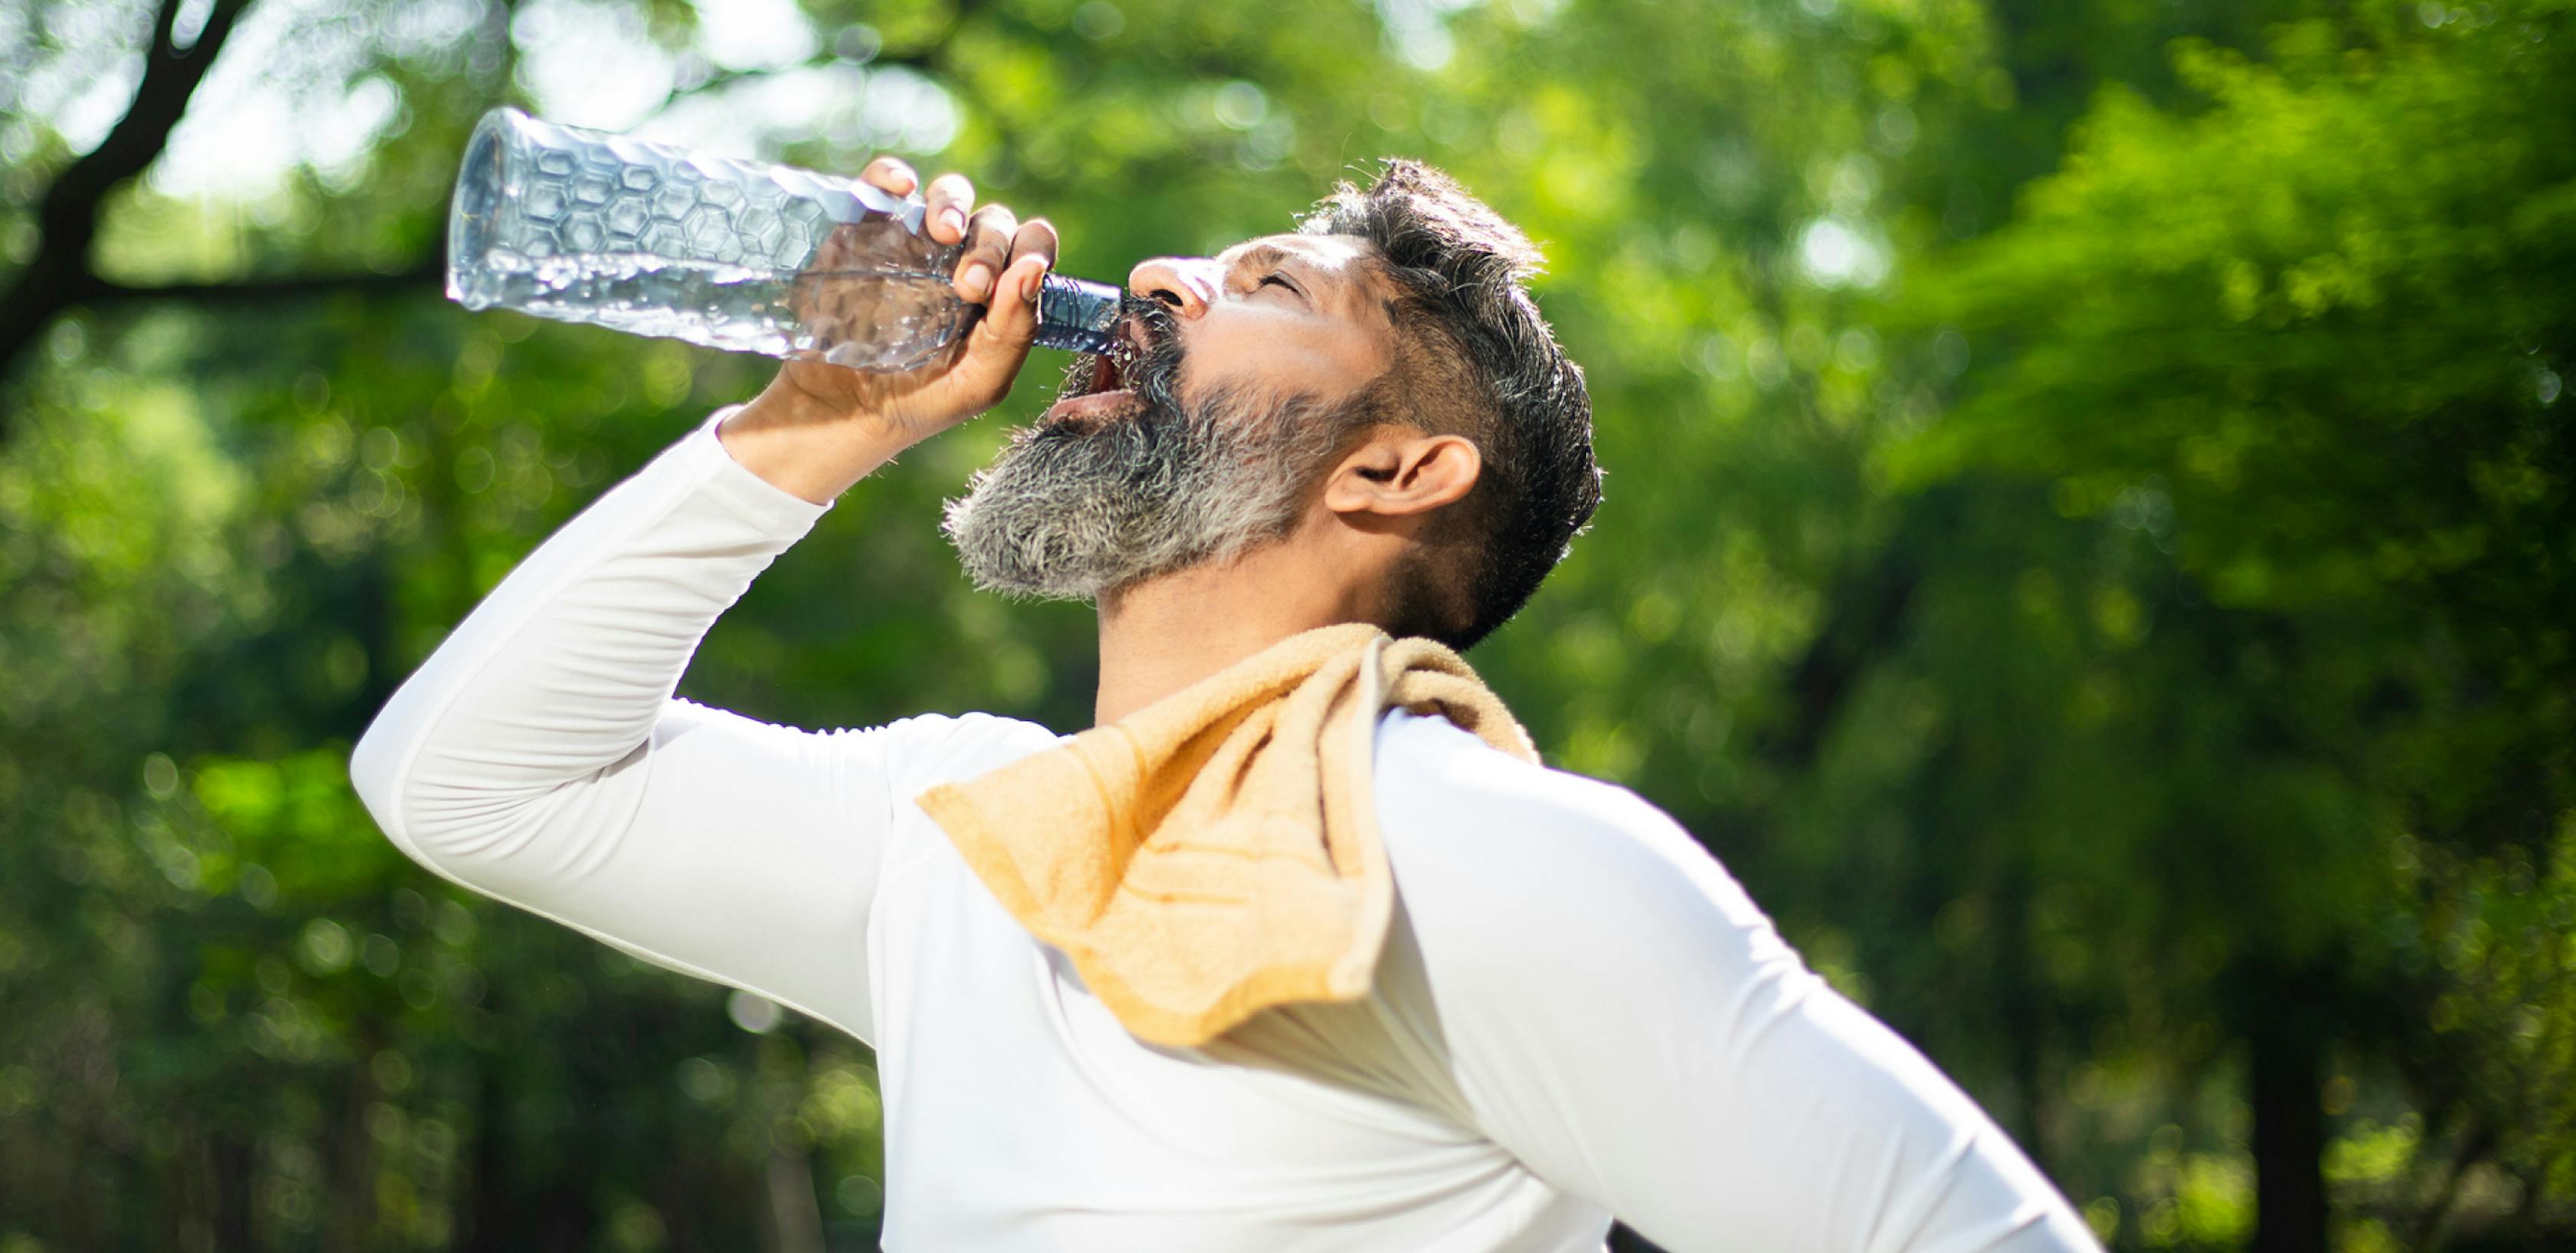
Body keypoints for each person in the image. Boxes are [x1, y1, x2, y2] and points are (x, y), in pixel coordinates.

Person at [349, 154, 2101, 1251]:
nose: (1168, 278)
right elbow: (469, 787)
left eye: (1270, 286)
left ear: (1404, 465)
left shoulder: (1487, 866)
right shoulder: (968, 841)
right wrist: (812, 429)